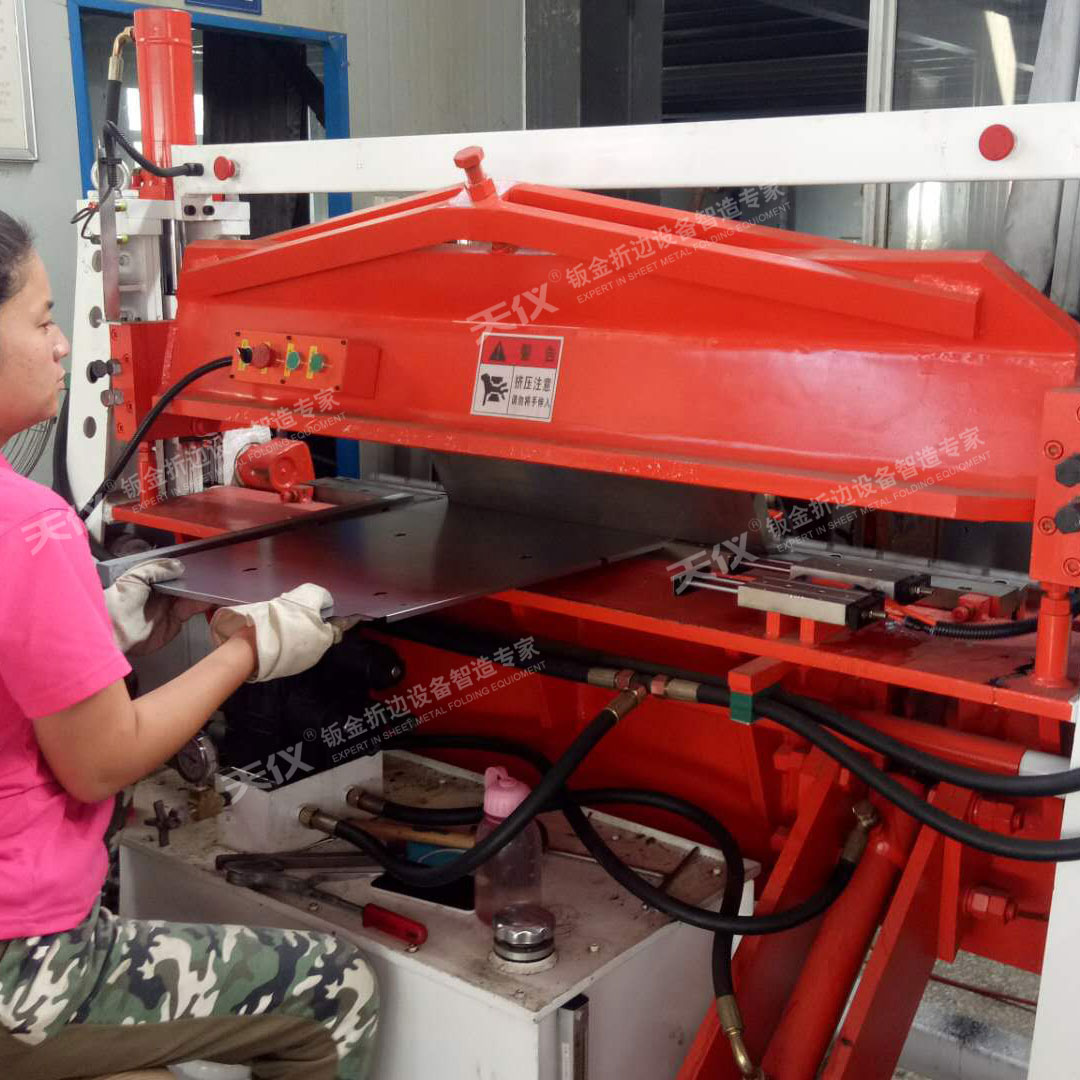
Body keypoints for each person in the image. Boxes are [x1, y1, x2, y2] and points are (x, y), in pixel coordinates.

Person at [0, 212, 378, 1080]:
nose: (63, 345)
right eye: (43, 319)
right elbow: (100, 763)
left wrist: (94, 636)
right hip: (23, 965)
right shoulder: (29, 527)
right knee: (334, 991)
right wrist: (250, 648)